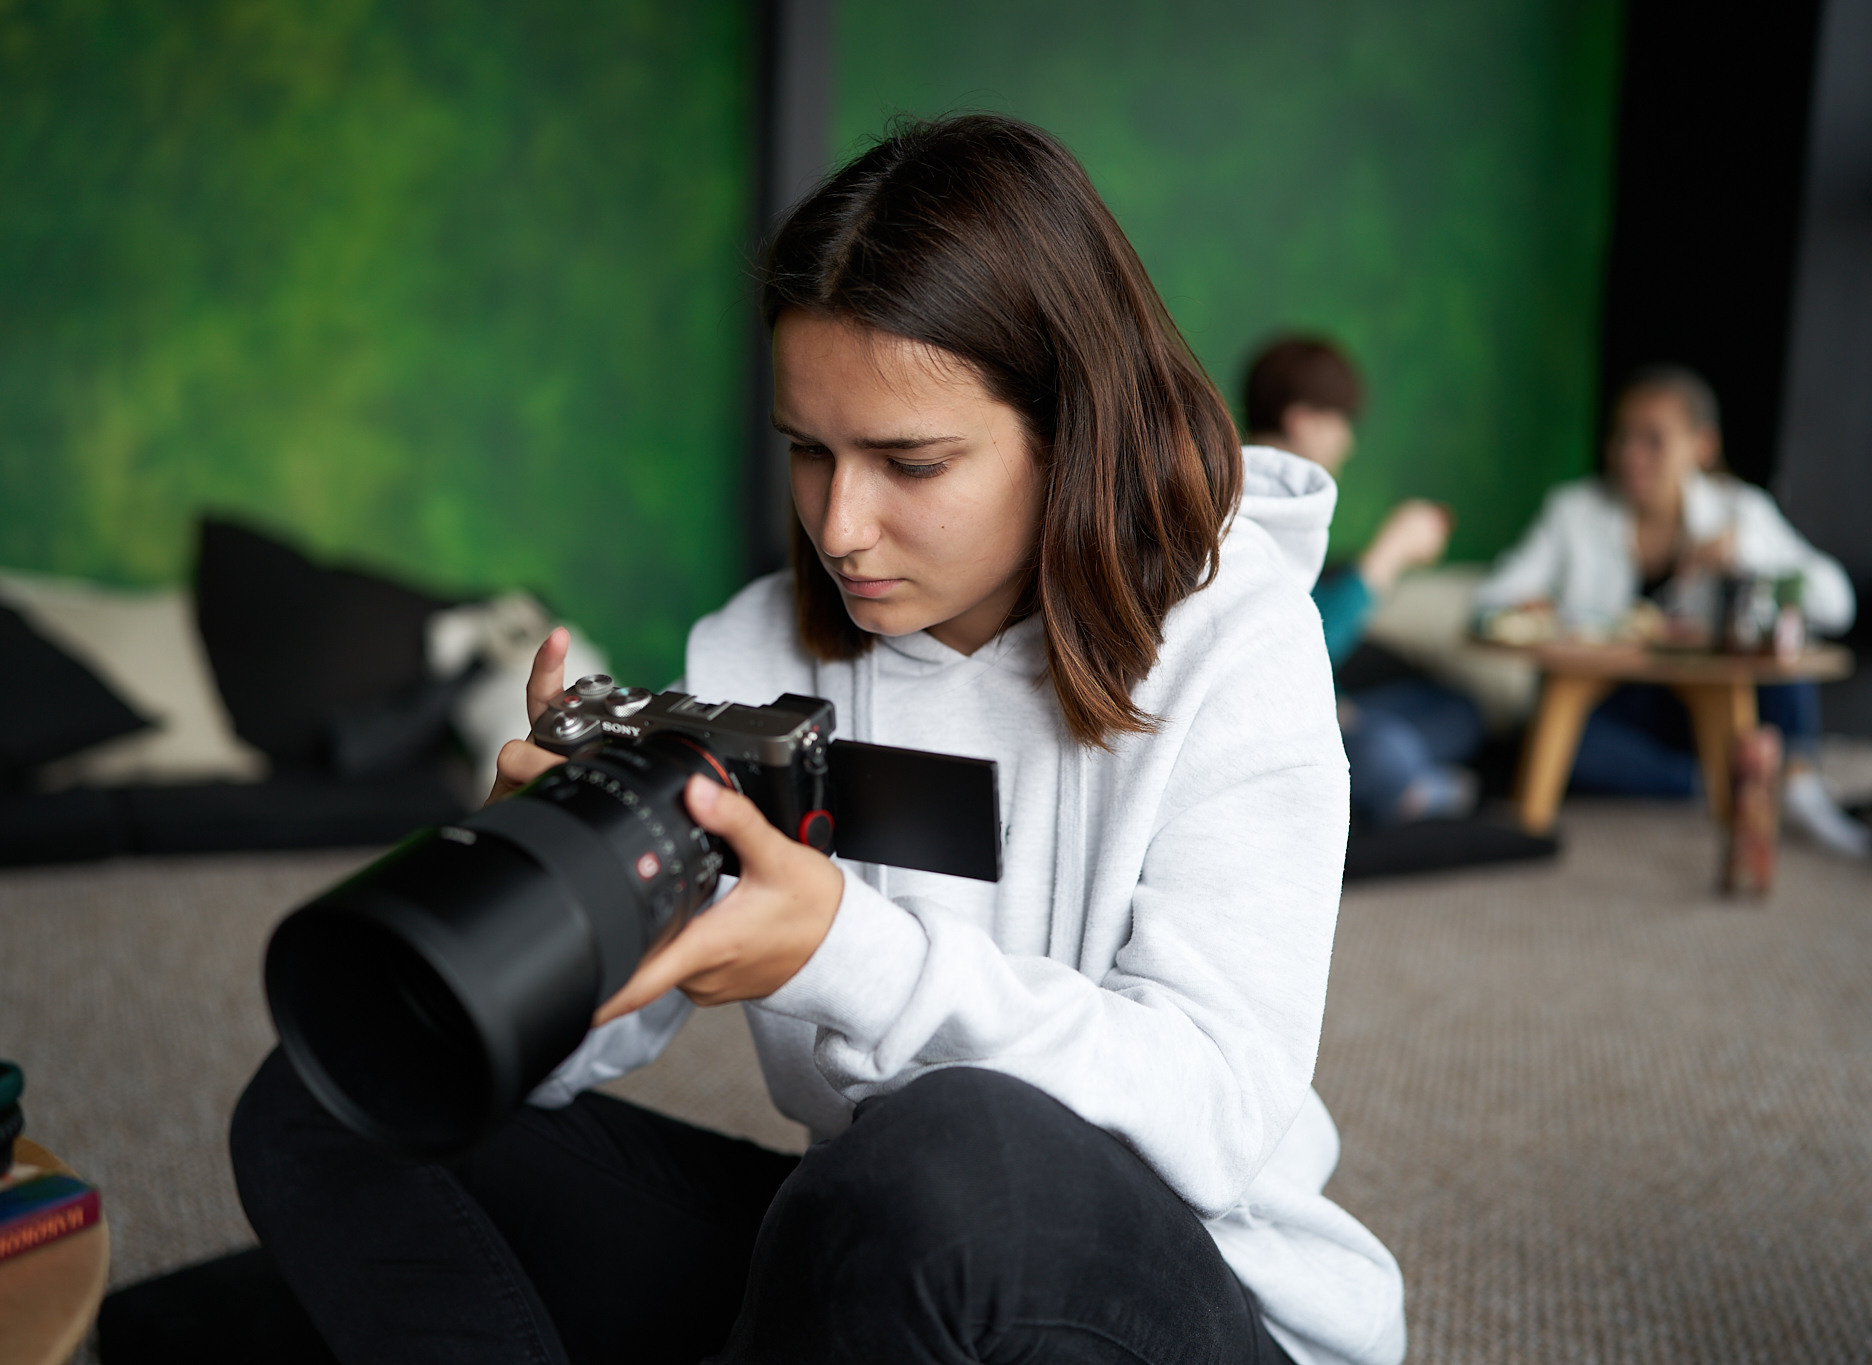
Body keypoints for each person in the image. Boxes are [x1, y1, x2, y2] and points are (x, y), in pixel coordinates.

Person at [231, 115, 1403, 1365]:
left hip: (1170, 1291)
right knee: (336, 1087)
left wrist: (845, 952)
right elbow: (570, 1062)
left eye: (910, 462)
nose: (840, 526)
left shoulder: (1238, 643)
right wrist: (551, 884)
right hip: (864, 1258)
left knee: (949, 1151)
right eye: (808, 453)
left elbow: (1215, 1112)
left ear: (1068, 431)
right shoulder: (754, 656)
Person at [1475, 364, 1864, 856]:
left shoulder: (1740, 512)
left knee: (1780, 642)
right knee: (1551, 739)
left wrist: (1749, 557)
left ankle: (1799, 785)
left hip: (1713, 689)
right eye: (1623, 437)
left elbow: (1836, 603)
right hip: (1621, 697)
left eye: (1653, 440)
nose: (1630, 455)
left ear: (1702, 446)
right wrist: (1534, 607)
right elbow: (1491, 598)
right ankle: (1715, 779)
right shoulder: (1575, 511)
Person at [1244, 337, 1483, 825]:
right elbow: (1297, 650)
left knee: (1460, 711)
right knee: (1386, 752)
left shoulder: (1295, 503)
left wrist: (1335, 707)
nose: (1347, 442)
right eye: (1341, 422)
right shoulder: (1248, 505)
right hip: (1268, 728)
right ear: (1302, 421)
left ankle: (1402, 785)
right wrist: (1389, 552)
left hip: (1326, 707)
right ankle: (1408, 790)